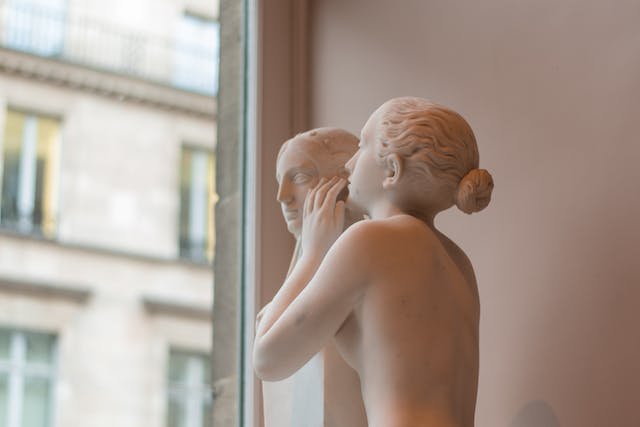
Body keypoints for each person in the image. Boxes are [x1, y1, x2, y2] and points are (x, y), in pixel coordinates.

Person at [254, 97, 494, 427]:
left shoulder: (368, 241)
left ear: (392, 170)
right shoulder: (460, 263)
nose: (349, 164)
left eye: (363, 145)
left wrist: (311, 253)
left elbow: (268, 359)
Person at [268, 127, 368, 426]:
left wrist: (313, 253)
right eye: (280, 181)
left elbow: (268, 358)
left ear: (343, 184)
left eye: (298, 178)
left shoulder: (359, 270)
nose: (282, 196)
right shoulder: (305, 267)